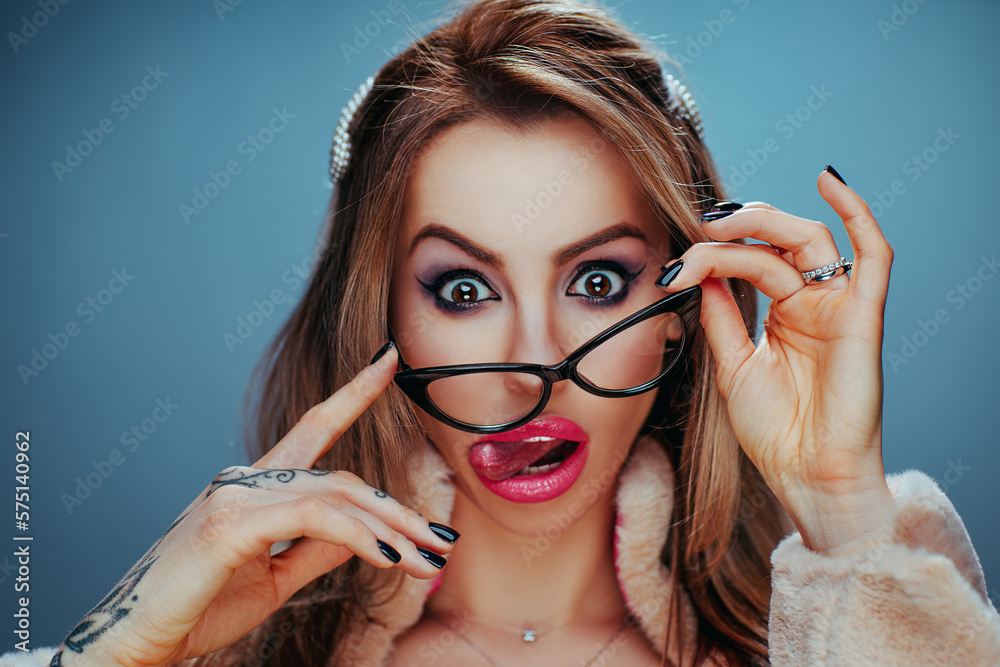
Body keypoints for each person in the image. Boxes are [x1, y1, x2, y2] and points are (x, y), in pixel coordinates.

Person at [14, 0, 999, 665]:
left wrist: (840, 515)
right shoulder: (232, 639)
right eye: (460, 287)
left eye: (600, 277)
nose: (535, 360)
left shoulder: (851, 600)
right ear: (380, 316)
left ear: (680, 314)